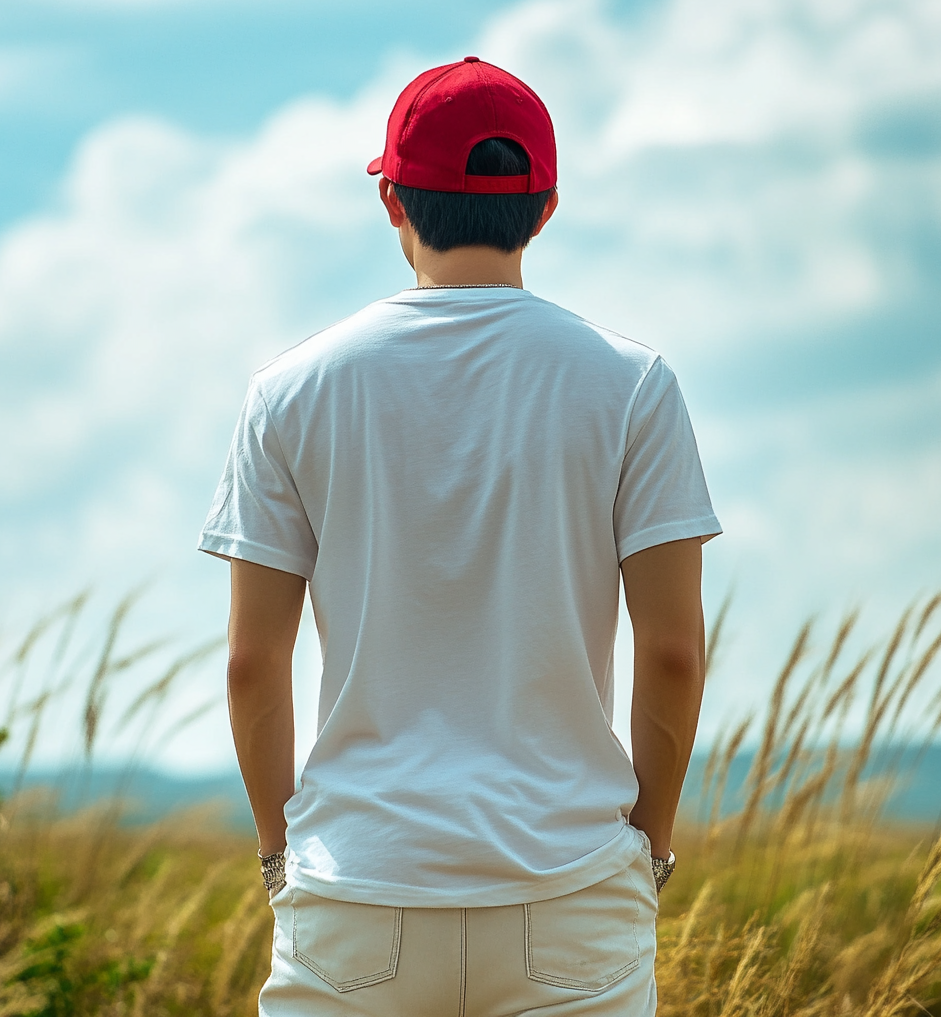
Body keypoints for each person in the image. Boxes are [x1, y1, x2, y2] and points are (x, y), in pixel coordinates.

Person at [199, 56, 720, 1017]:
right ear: (547, 206)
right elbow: (675, 653)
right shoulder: (633, 386)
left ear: (392, 199)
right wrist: (647, 846)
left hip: (358, 888)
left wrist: (283, 857)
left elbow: (250, 664)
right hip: (569, 890)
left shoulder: (291, 392)